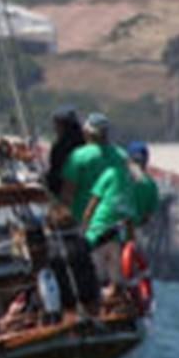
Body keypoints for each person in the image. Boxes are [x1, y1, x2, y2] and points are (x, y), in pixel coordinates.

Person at [66, 114, 134, 295]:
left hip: (84, 225)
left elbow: (67, 193)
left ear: (87, 132)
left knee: (85, 276)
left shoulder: (79, 156)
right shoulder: (121, 156)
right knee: (110, 278)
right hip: (113, 227)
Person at [44, 106, 85, 197]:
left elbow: (56, 170)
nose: (55, 128)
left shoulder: (61, 146)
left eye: (56, 124)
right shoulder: (85, 143)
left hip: (65, 193)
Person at [127, 141, 159, 231]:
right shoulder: (151, 185)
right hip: (132, 231)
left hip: (110, 231)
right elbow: (148, 215)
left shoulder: (118, 177)